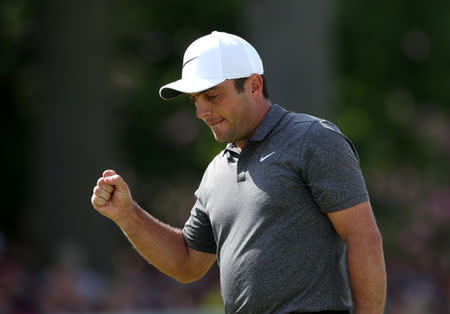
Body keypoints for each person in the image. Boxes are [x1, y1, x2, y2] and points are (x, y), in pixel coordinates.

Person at [91, 31, 386, 314]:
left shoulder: (313, 139)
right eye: (195, 100)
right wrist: (127, 215)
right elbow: (187, 263)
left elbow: (363, 238)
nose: (201, 111)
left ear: (254, 86)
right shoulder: (216, 171)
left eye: (213, 96)